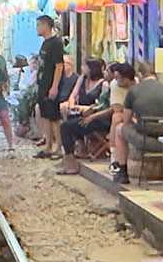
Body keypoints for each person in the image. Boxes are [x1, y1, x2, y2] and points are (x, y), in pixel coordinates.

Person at [115, 62, 163, 185]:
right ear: (156, 74)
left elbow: (126, 120)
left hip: (147, 141)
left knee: (119, 129)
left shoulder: (133, 91)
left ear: (140, 75)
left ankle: (122, 172)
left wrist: (139, 122)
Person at [54, 59, 112, 175]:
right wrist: (73, 106)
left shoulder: (104, 85)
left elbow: (103, 106)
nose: (82, 69)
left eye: (85, 66)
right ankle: (76, 151)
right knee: (69, 118)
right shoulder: (82, 79)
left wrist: (89, 111)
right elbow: (73, 95)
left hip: (97, 117)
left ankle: (70, 161)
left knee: (66, 127)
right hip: (85, 112)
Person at [31, 16, 69, 156]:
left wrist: (54, 86)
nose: (37, 28)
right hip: (42, 84)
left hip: (50, 86)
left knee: (54, 117)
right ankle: (48, 145)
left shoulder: (56, 43)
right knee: (45, 116)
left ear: (46, 26)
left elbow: (59, 66)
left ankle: (59, 147)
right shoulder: (45, 43)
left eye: (38, 25)